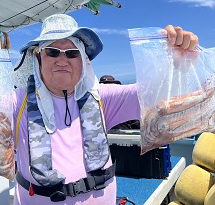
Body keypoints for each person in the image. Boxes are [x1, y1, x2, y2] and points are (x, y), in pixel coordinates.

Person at [12, 13, 198, 205]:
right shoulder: (17, 103)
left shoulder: (102, 98)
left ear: (83, 60)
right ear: (38, 58)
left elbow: (158, 95)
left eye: (72, 52)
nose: (62, 59)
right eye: (52, 51)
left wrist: (176, 62)